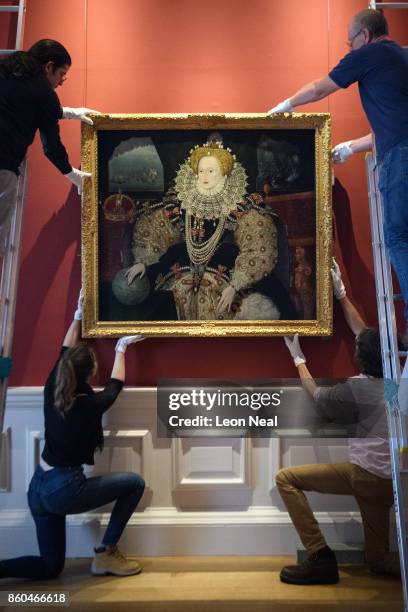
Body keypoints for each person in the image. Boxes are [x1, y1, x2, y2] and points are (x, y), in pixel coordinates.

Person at [267, 9, 408, 330]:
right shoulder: (401, 57)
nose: (349, 48)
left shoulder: (369, 54)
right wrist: (351, 147)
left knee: (399, 237)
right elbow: (395, 126)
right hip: (401, 151)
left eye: (350, 42)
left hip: (400, 161)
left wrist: (285, 105)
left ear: (365, 36)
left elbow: (320, 88)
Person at [0, 292, 145, 579]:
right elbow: (114, 387)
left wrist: (77, 316)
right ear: (90, 373)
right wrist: (121, 348)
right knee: (134, 484)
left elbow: (64, 350)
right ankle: (106, 555)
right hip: (63, 489)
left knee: (51, 568)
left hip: (39, 487)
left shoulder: (53, 386)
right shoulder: (88, 405)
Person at [277, 261, 400, 585]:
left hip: (363, 477)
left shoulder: (356, 389)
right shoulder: (394, 380)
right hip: (391, 482)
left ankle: (320, 557)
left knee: (286, 479)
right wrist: (341, 293)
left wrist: (298, 357)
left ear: (361, 357)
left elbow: (315, 394)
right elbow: (363, 333)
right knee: (378, 561)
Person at [123, 139, 297, 321]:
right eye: (201, 171)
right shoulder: (180, 204)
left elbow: (257, 243)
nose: (204, 176)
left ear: (224, 174)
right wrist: (144, 263)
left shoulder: (239, 207)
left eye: (211, 171)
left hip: (228, 264)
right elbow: (158, 232)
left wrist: (235, 285)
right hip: (181, 262)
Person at [0, 39, 97, 254]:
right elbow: (51, 146)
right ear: (49, 67)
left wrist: (69, 112)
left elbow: (25, 104)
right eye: (61, 73)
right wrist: (71, 174)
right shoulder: (43, 91)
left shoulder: (8, 70)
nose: (62, 81)